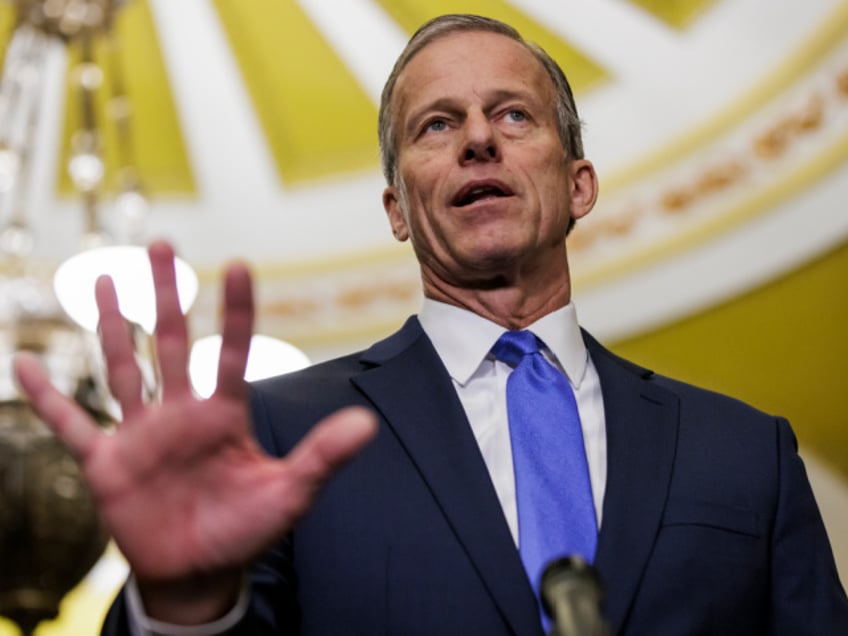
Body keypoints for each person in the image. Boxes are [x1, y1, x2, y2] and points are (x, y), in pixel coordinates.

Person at [14, 13, 848, 636]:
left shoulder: (746, 455)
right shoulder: (275, 433)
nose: (479, 138)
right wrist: (184, 607)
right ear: (398, 210)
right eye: (437, 125)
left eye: (514, 116)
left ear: (581, 185)